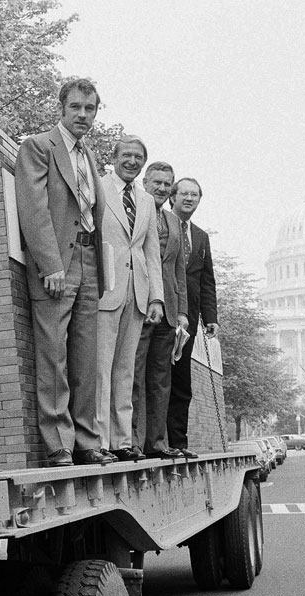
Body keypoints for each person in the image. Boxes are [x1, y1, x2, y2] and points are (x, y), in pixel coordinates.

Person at [14, 78, 113, 467]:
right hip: (59, 264)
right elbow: (33, 209)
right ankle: (59, 443)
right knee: (54, 354)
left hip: (89, 262)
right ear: (62, 107)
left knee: (85, 358)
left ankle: (87, 441)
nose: (83, 116)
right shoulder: (38, 147)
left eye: (90, 109)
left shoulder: (87, 155)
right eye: (76, 108)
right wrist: (50, 264)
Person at [95, 136, 164, 462]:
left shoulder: (146, 200)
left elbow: (151, 253)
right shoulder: (97, 187)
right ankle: (99, 441)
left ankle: (122, 441)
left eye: (138, 157)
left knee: (125, 371)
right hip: (105, 289)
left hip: (136, 295)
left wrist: (156, 299)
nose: (132, 161)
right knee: (100, 369)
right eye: (126, 155)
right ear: (115, 157)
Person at [132, 162, 190, 459]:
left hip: (168, 313)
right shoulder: (134, 211)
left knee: (160, 380)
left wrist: (182, 312)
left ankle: (157, 443)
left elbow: (179, 271)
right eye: (157, 182)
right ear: (145, 182)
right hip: (139, 305)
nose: (162, 188)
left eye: (168, 184)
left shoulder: (173, 221)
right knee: (134, 376)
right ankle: (133, 443)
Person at [166, 178, 219, 458]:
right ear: (172, 197)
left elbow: (206, 280)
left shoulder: (200, 236)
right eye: (184, 193)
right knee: (157, 377)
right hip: (162, 311)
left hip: (190, 320)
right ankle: (154, 441)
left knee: (181, 382)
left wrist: (211, 316)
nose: (189, 198)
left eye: (194, 195)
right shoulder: (160, 224)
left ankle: (178, 442)